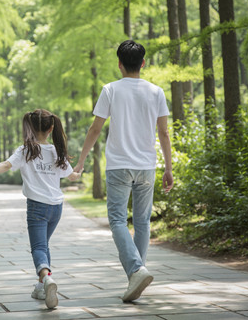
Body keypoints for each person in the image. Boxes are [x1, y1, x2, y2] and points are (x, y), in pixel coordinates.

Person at [73, 40, 173, 302]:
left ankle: (136, 270)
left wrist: (81, 161)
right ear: (143, 63)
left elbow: (95, 129)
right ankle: (137, 273)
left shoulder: (110, 90)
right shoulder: (156, 92)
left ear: (119, 64)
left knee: (117, 220)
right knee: (142, 222)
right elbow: (163, 132)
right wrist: (168, 167)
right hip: (147, 166)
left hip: (119, 165)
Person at [0, 109, 82, 309]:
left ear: (30, 127)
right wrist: (78, 174)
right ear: (51, 128)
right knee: (44, 246)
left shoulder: (26, 150)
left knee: (38, 248)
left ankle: (47, 279)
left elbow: (6, 165)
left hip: (37, 208)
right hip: (56, 207)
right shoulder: (57, 151)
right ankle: (41, 287)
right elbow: (70, 175)